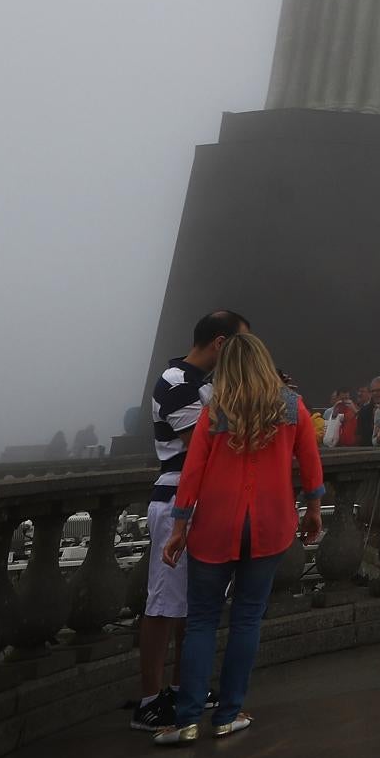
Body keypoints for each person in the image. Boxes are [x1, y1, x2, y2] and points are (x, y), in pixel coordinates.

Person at [153, 330, 324, 745]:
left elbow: (191, 474)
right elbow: (311, 465)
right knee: (247, 619)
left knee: (201, 623)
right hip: (270, 525)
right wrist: (314, 509)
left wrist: (178, 527)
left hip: (215, 526)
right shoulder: (292, 408)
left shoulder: (213, 413)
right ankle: (228, 715)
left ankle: (188, 719)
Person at [133, 308, 245, 733]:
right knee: (163, 604)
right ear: (220, 343)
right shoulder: (177, 382)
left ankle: (183, 688)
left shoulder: (207, 385)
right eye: (240, 343)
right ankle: (149, 701)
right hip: (176, 501)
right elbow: (204, 440)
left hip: (203, 501)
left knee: (193, 605)